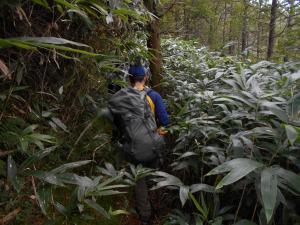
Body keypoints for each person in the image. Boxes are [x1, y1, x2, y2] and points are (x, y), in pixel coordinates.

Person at [108, 62, 169, 225]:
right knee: (152, 175)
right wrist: (157, 136)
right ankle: (157, 203)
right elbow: (164, 121)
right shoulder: (154, 96)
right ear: (146, 78)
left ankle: (145, 217)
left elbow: (116, 125)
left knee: (139, 181)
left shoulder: (121, 98)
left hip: (134, 147)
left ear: (129, 79)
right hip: (154, 145)